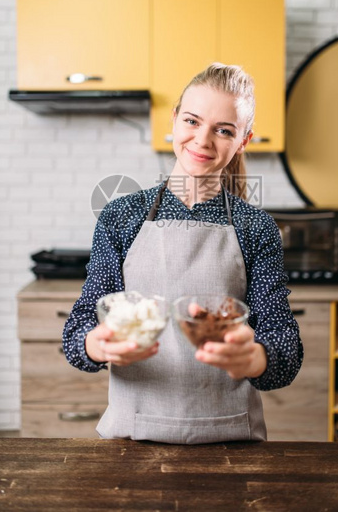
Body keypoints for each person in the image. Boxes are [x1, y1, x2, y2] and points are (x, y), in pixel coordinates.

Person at [62, 62, 303, 444]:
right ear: (174, 120)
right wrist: (96, 345)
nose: (203, 140)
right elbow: (78, 329)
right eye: (192, 121)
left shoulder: (256, 227)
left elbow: (284, 343)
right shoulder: (121, 216)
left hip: (231, 439)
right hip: (133, 435)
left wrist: (257, 358)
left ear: (244, 140)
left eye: (224, 130)